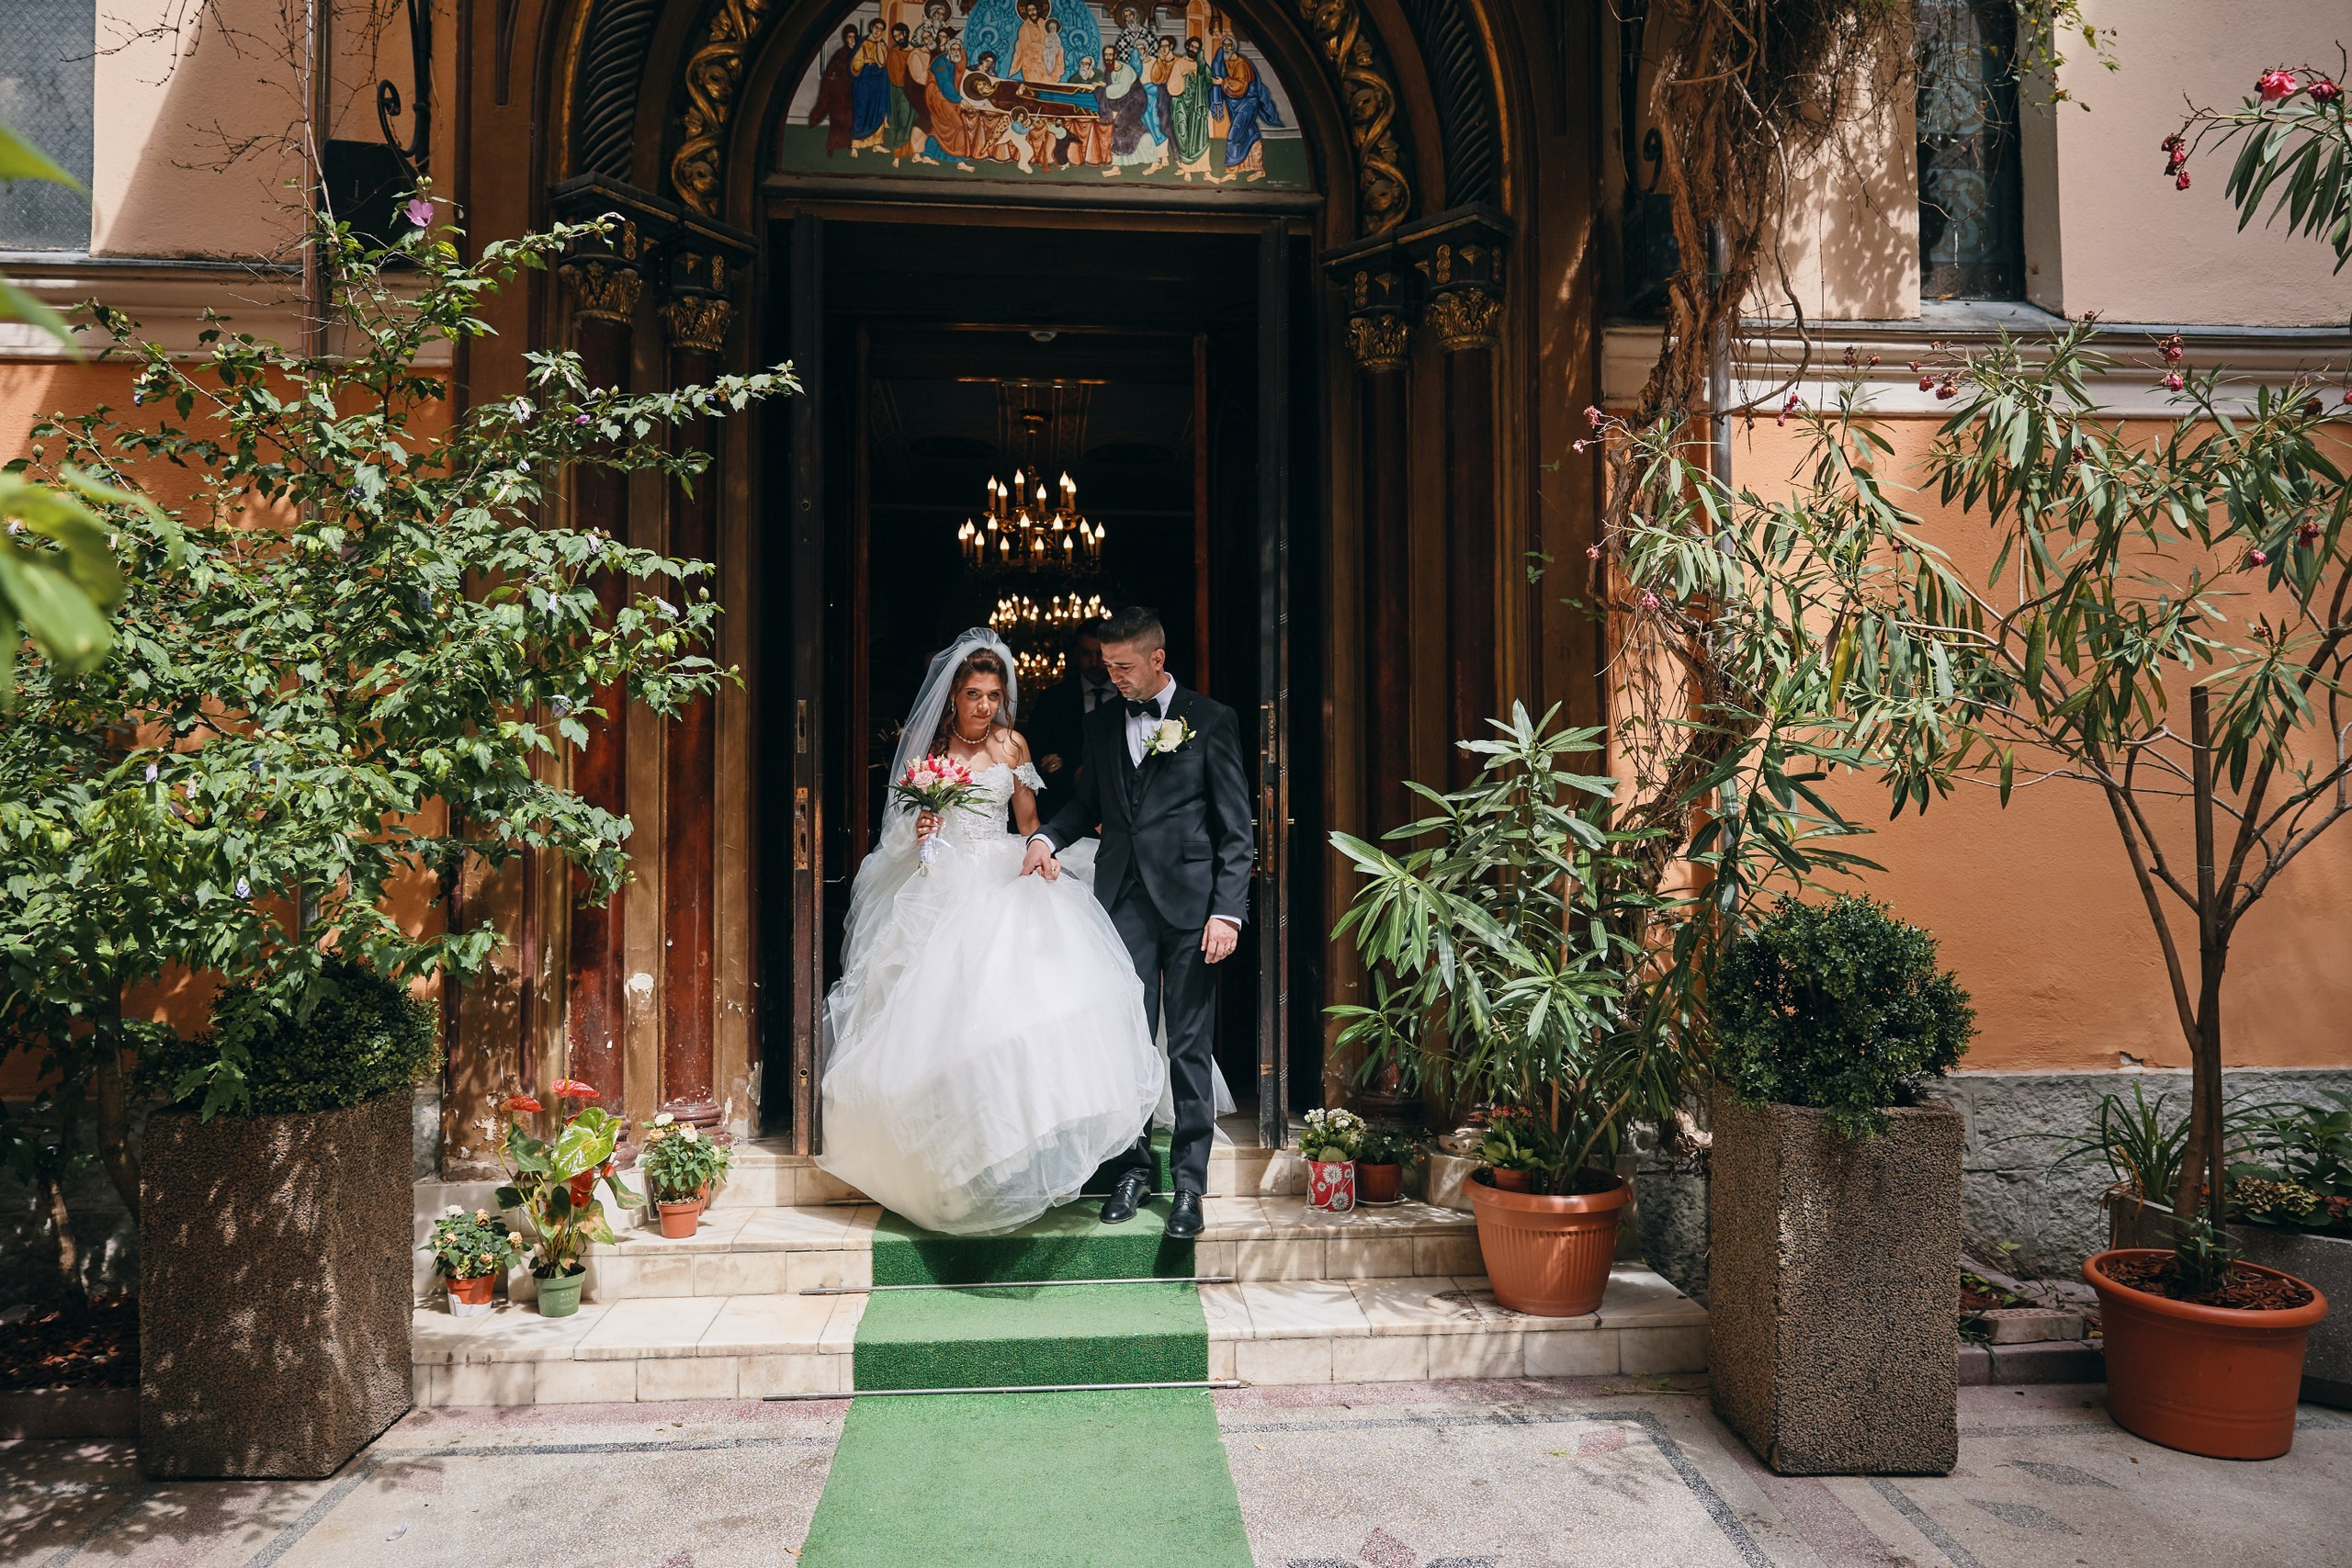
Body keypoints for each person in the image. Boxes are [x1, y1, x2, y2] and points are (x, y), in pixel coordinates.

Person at [817, 631, 1164, 1235]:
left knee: (1019, 1013)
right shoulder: (927, 750)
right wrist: (921, 828)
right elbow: (900, 833)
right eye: (974, 693)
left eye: (993, 693)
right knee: (938, 1025)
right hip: (941, 882)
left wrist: (1043, 851)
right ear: (953, 694)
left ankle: (1018, 1152)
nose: (983, 704)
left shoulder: (1011, 745)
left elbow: (1029, 821)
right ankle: (951, 1158)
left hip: (1002, 873)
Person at [1024, 605, 1254, 1241]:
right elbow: (1087, 805)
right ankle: (1129, 1169)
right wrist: (1046, 837)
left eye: (1124, 666)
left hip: (1191, 908)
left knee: (1186, 1044)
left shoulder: (1211, 721)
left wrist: (1226, 910)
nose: (1114, 676)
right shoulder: (1100, 724)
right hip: (1120, 901)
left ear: (1157, 659)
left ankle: (1188, 1184)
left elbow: (1237, 830)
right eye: (1106, 665)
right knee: (1123, 1042)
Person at [1020, 620, 1114, 833]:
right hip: (1064, 811)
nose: (1094, 662)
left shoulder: (1128, 696)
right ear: (1075, 654)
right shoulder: (1053, 699)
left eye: (1101, 654)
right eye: (1086, 654)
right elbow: (1029, 759)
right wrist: (1068, 775)